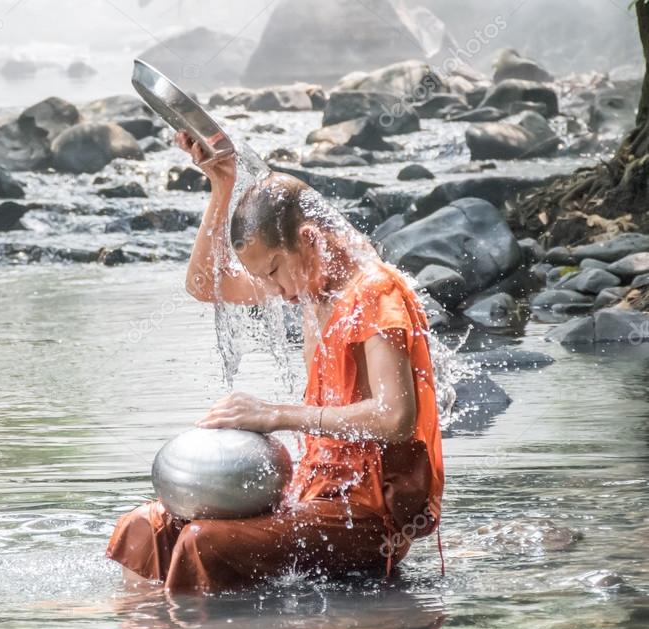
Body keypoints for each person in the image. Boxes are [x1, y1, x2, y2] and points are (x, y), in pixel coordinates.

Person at [105, 132, 445, 593]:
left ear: (309, 240)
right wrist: (222, 186)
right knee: (144, 526)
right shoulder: (307, 284)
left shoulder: (374, 294)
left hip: (368, 515)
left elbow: (396, 418)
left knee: (203, 542)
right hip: (312, 491)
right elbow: (207, 285)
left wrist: (273, 415)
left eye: (273, 271)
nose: (278, 291)